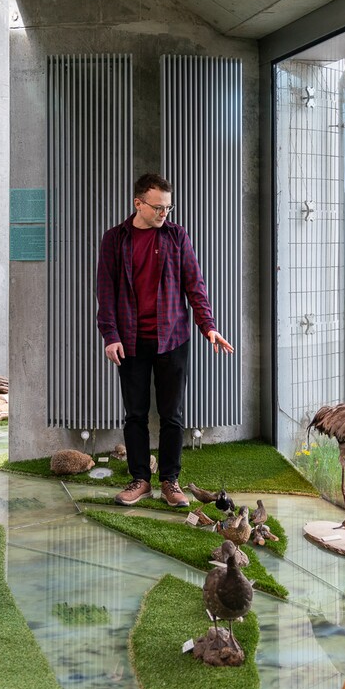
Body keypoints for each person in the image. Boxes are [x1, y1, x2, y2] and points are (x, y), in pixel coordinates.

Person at [96, 173, 234, 508]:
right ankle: (140, 480)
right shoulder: (114, 239)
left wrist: (208, 326)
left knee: (172, 415)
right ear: (138, 203)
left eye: (168, 208)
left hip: (172, 338)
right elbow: (105, 291)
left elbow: (194, 285)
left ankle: (170, 481)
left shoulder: (177, 236)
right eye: (157, 207)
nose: (163, 213)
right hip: (130, 341)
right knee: (135, 414)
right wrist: (110, 335)